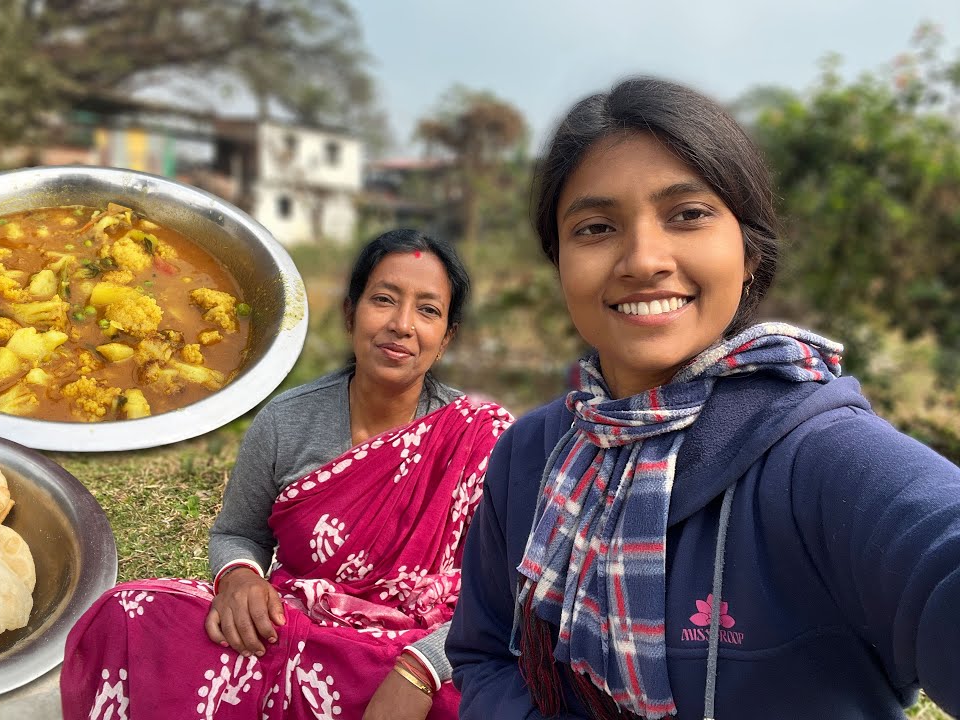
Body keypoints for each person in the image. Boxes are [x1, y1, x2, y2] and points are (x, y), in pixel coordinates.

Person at [446, 77, 960, 720]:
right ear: (561, 265)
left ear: (749, 252)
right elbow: (486, 652)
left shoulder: (820, 458)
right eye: (596, 227)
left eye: (688, 214)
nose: (643, 260)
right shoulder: (531, 455)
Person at [63, 228, 513, 719]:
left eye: (427, 310)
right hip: (289, 630)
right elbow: (238, 532)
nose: (402, 324)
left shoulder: (482, 437)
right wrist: (238, 578)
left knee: (485, 699)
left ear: (445, 338)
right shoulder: (287, 420)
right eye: (384, 299)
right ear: (350, 314)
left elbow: (504, 594)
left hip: (413, 654)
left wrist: (422, 669)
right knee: (129, 614)